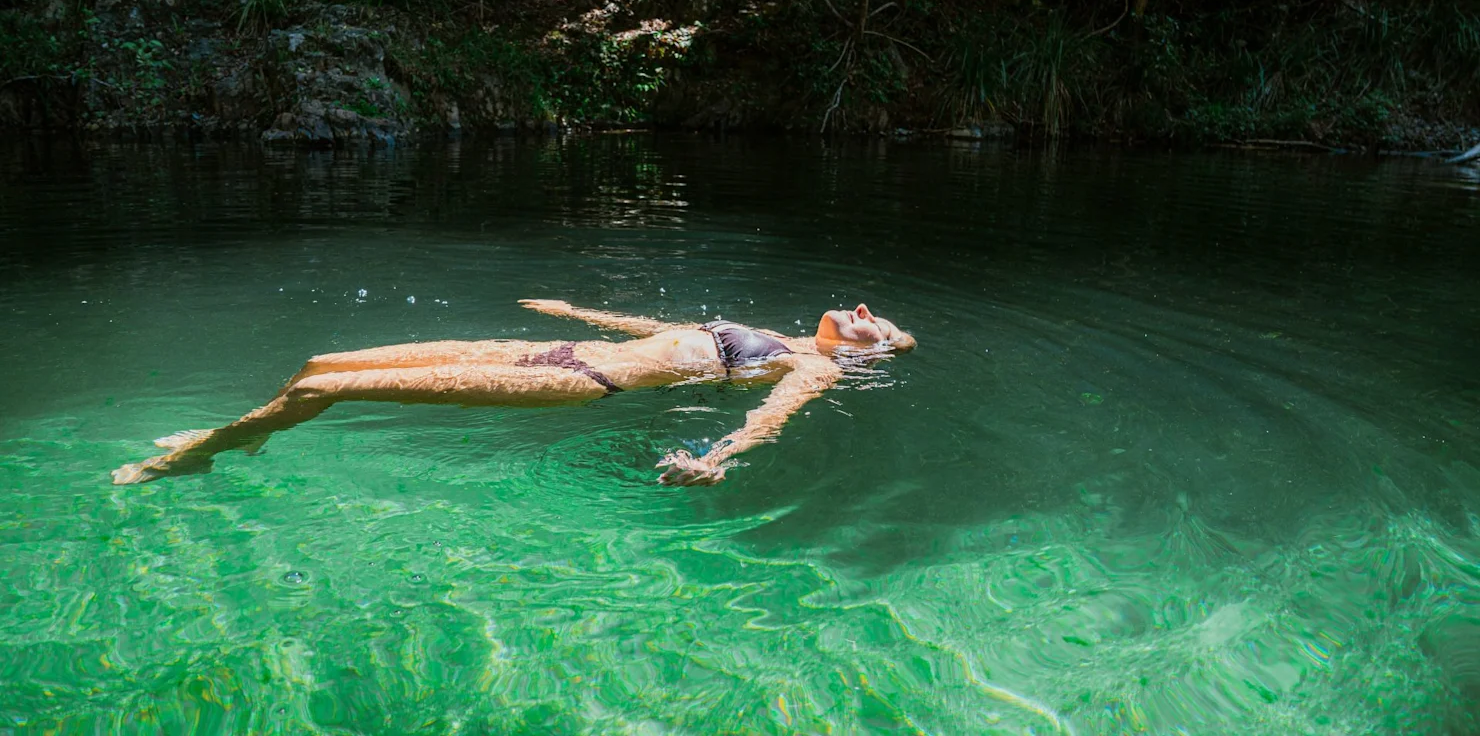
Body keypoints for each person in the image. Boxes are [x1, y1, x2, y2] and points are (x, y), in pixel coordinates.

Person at [110, 299, 916, 487]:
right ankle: (255, 430)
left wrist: (722, 459)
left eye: (879, 327)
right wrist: (579, 312)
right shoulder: (775, 330)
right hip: (562, 346)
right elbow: (662, 326)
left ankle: (196, 455)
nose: (866, 314)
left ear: (868, 354)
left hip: (583, 381)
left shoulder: (816, 369)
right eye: (871, 311)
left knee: (342, 386)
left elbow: (771, 416)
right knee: (321, 360)